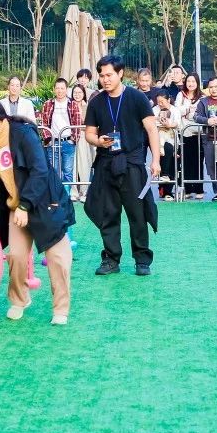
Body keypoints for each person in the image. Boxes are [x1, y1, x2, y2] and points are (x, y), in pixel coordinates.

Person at [0, 96, 75, 325]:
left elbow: (40, 170)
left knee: (57, 258)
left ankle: (61, 308)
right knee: (17, 257)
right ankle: (19, 300)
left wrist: (25, 204)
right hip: (16, 209)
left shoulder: (24, 134)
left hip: (44, 203)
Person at [82, 55, 161, 276]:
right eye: (101, 75)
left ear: (120, 73)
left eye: (109, 75)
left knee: (138, 214)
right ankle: (111, 259)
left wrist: (155, 160)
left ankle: (142, 260)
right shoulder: (96, 101)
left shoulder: (137, 98)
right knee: (108, 213)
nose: (105, 79)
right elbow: (89, 133)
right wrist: (98, 141)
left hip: (132, 163)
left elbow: (151, 129)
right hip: (106, 163)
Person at [38, 78, 81, 185]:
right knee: (53, 171)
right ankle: (56, 194)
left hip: (68, 142)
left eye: (62, 88)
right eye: (57, 88)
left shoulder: (73, 104)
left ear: (66, 89)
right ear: (54, 89)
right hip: (53, 142)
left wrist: (73, 139)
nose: (60, 91)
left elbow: (77, 123)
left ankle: (66, 194)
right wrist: (48, 139)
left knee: (68, 172)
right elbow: (44, 123)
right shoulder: (48, 104)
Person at [175, 73, 204, 200]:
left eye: (193, 81)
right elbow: (177, 110)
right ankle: (187, 189)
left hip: (198, 133)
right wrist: (188, 109)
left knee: (198, 162)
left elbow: (202, 113)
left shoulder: (202, 97)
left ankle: (199, 189)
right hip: (184, 133)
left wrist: (192, 112)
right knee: (185, 161)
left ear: (197, 83)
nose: (191, 84)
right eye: (188, 81)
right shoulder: (180, 95)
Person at [152, 91, 180, 200]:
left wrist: (170, 125)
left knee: (172, 163)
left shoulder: (175, 110)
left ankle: (168, 191)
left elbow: (177, 123)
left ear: (168, 100)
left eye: (162, 101)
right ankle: (163, 188)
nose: (160, 104)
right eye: (158, 102)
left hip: (172, 137)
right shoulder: (154, 110)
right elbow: (151, 122)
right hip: (158, 138)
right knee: (164, 158)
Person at [70, 84, 94, 202]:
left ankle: (84, 192)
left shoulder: (88, 107)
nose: (77, 95)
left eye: (80, 92)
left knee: (85, 165)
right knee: (72, 165)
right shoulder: (69, 106)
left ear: (84, 94)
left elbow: (89, 123)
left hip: (84, 138)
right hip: (71, 137)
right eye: (75, 92)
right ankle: (73, 191)